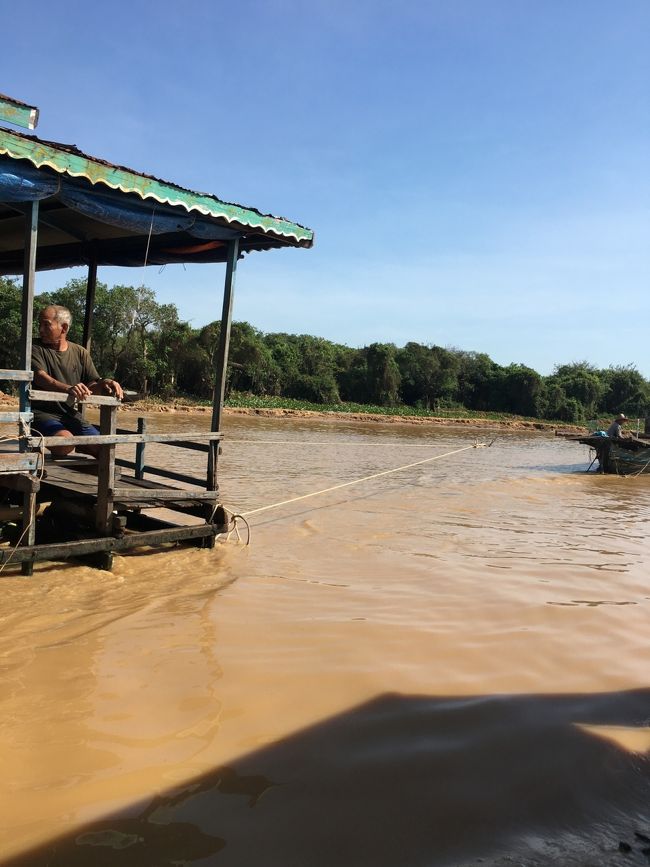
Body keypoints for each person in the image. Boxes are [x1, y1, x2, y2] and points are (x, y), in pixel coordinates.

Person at [31, 304, 123, 457]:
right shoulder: (34, 347)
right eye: (39, 324)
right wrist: (69, 388)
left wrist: (105, 383)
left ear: (64, 328)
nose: (40, 329)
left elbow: (92, 384)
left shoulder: (80, 352)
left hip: (68, 413)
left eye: (46, 325)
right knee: (65, 444)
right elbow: (41, 378)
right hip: (40, 413)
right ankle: (65, 442)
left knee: (104, 449)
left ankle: (82, 445)